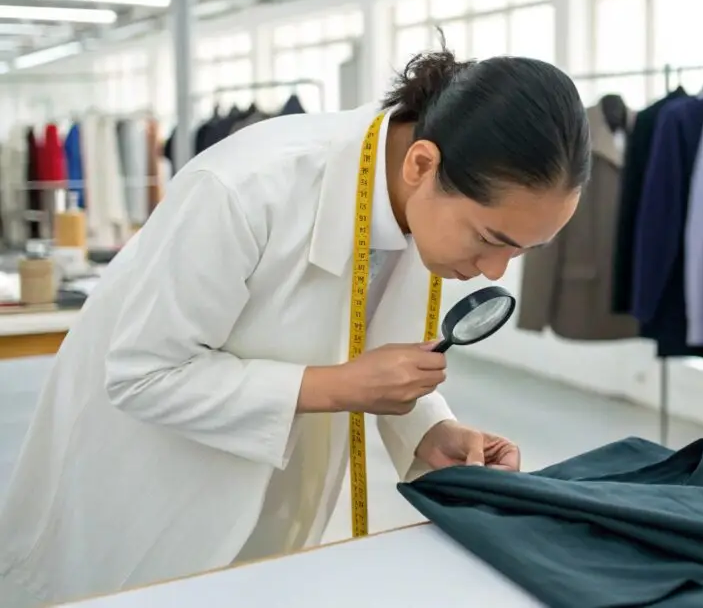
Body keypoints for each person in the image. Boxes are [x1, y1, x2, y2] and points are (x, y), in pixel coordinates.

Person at [0, 42, 591, 607]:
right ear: (421, 163)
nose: (494, 270)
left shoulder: (421, 198)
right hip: (143, 494)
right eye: (490, 239)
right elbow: (141, 374)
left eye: (520, 251)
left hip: (269, 512)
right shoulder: (244, 189)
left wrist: (430, 430)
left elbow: (373, 338)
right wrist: (335, 386)